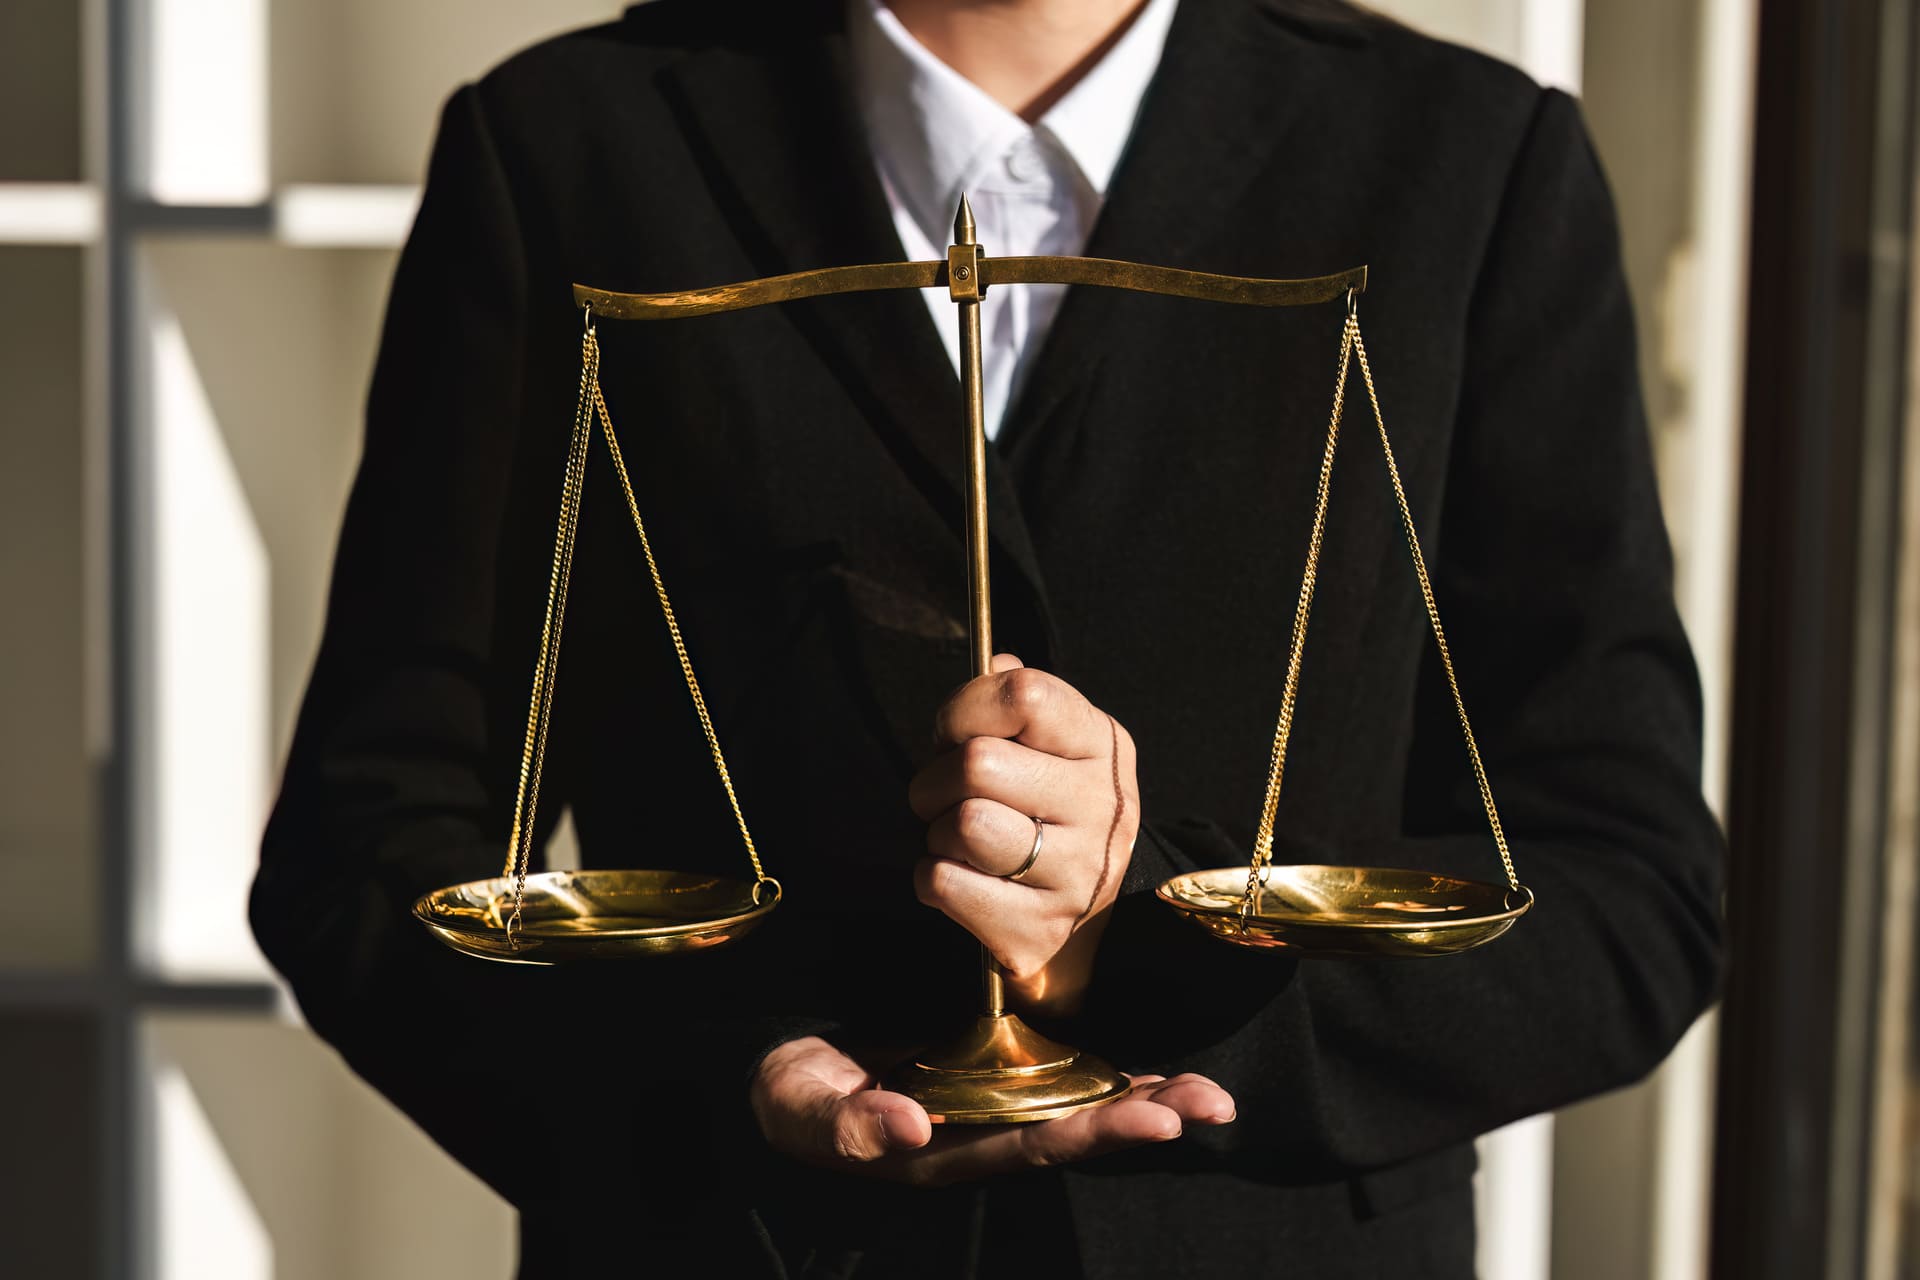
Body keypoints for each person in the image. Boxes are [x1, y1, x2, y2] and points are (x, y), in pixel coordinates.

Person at [251, 0, 1725, 1274]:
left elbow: (1626, 898)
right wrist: (717, 1069)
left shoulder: (1465, 163)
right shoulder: (570, 147)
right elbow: (369, 853)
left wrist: (1138, 948)